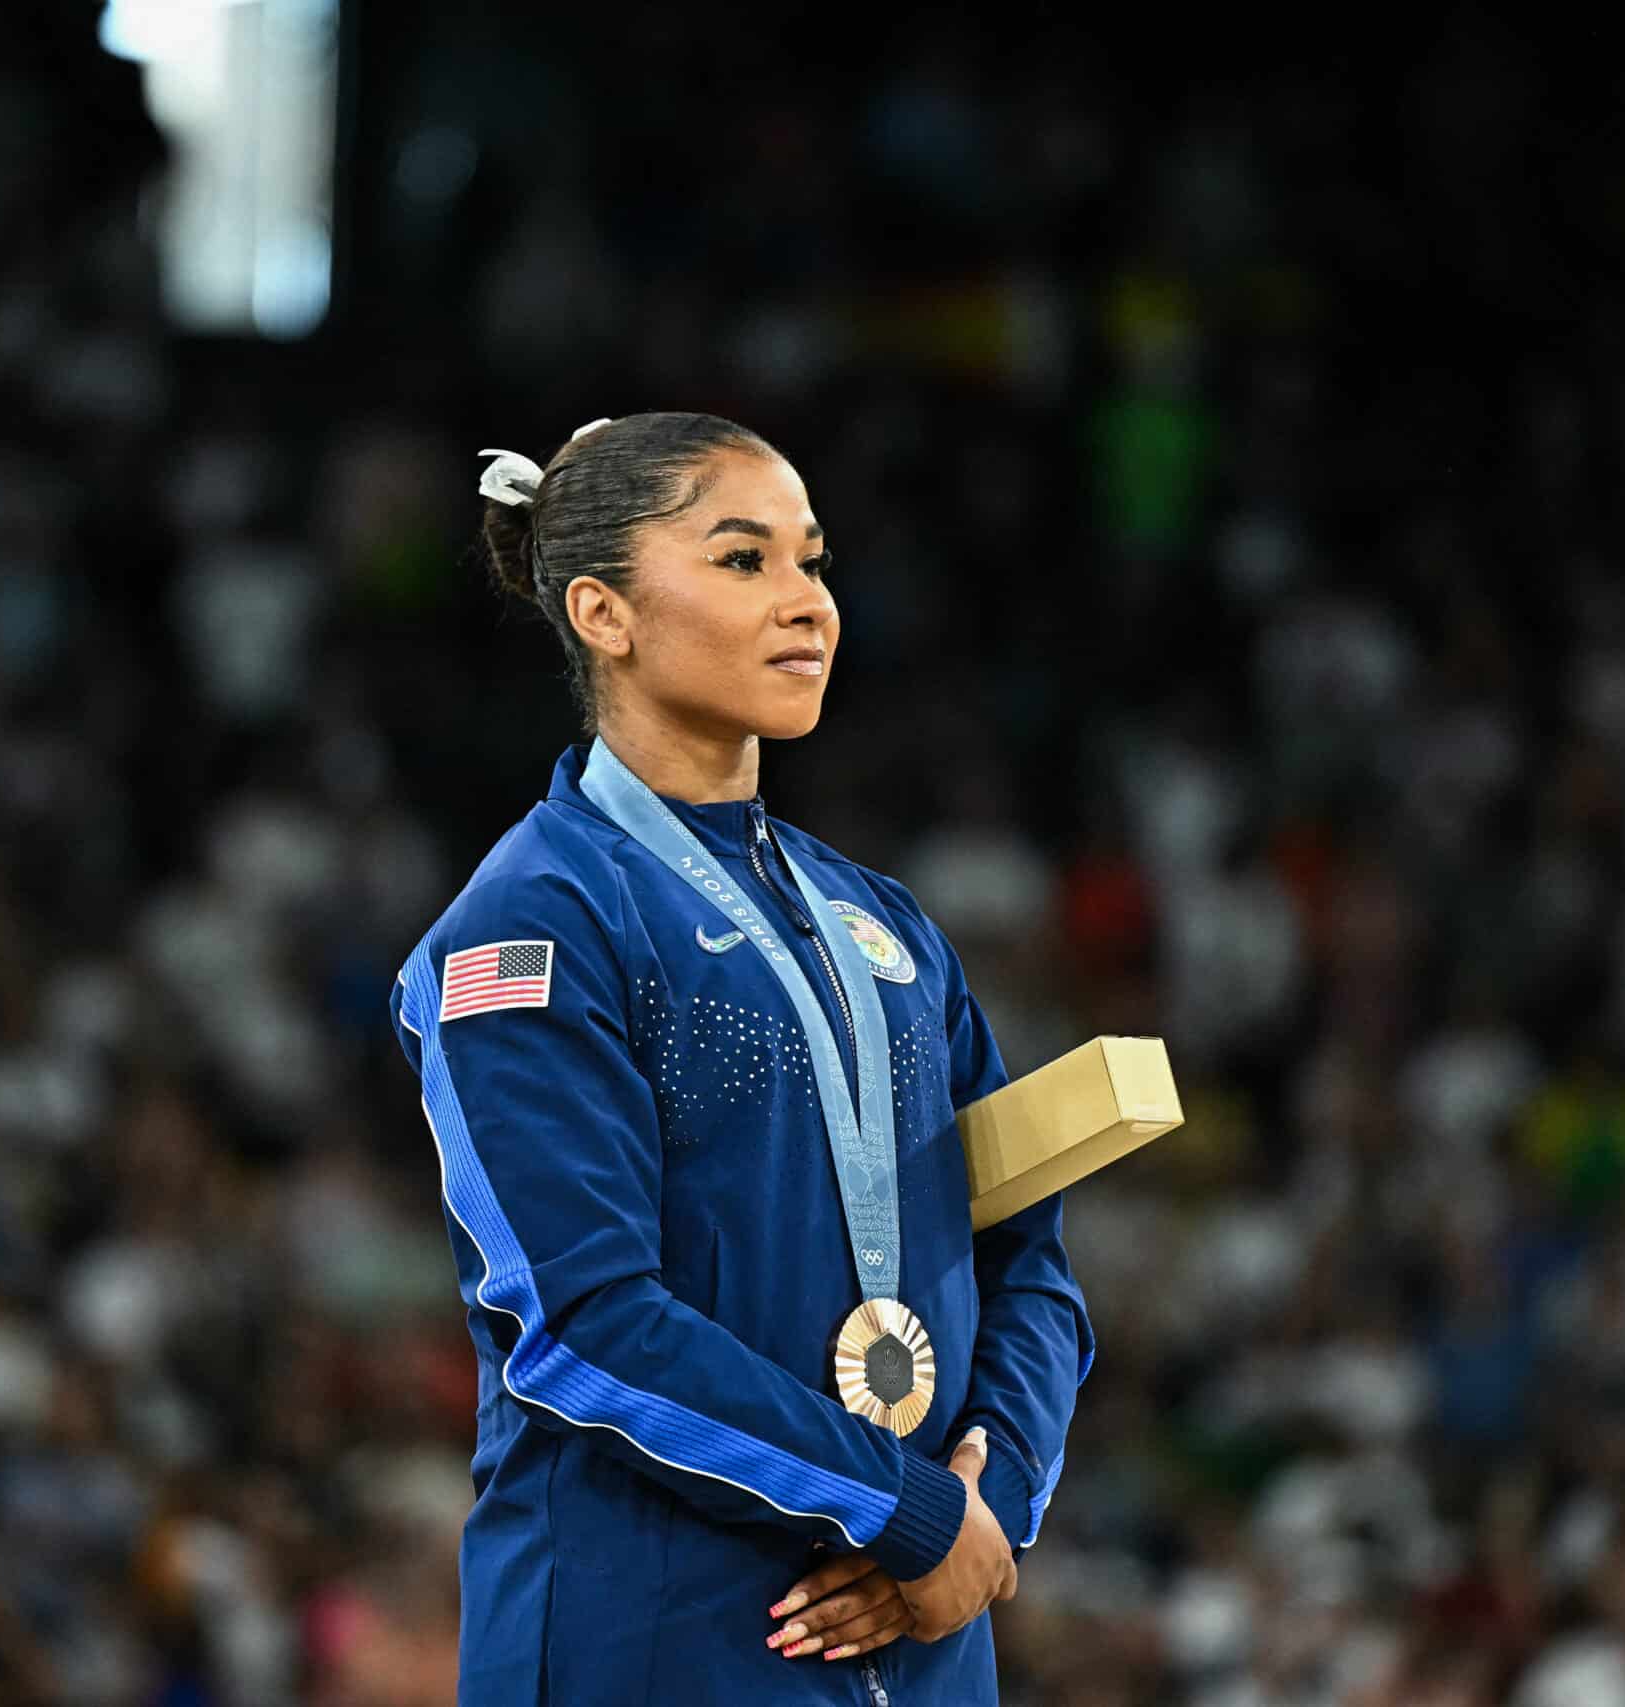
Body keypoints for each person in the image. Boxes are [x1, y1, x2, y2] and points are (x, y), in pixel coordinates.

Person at [388, 412, 1095, 1703]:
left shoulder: (887, 929)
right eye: (742, 561)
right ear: (604, 614)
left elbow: (1026, 1250)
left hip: (922, 1635)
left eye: (813, 563)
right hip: (661, 1635)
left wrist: (985, 1501)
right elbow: (585, 1324)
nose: (806, 603)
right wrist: (907, 1513)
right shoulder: (532, 926)